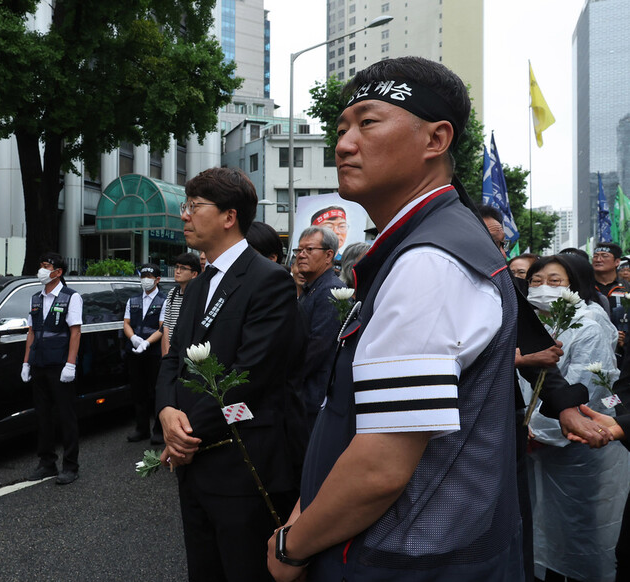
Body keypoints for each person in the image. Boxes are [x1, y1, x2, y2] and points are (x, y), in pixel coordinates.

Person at [268, 57, 523, 581]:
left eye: (367, 122)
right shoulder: (426, 244)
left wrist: (290, 547)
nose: (342, 143)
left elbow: (381, 469)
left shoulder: (429, 261)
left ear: (436, 140)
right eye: (340, 129)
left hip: (403, 561)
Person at [156, 167, 299, 582]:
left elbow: (250, 380)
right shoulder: (198, 285)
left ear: (228, 216)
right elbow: (172, 359)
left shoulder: (269, 281)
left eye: (194, 206)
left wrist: (184, 433)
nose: (184, 215)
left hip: (242, 464)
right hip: (194, 464)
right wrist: (166, 412)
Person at [521, 255, 629, 582]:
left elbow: (587, 392)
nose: (543, 289)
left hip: (576, 446)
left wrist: (536, 430)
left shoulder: (587, 326)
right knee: (541, 526)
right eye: (536, 281)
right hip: (533, 446)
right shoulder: (530, 324)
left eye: (555, 281)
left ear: (574, 285)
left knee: (578, 526)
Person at [20, 252, 83, 485]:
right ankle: (47, 462)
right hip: (39, 363)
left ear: (58, 272)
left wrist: (70, 364)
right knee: (43, 415)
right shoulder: (36, 298)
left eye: (47, 266)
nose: (42, 270)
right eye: (41, 265)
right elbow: (32, 332)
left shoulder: (71, 297)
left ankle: (70, 466)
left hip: (59, 365)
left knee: (66, 416)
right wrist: (26, 362)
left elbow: (75, 332)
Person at [289, 226, 343, 440]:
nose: (301, 255)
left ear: (329, 255)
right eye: (298, 250)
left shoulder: (330, 291)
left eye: (309, 249)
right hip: (305, 395)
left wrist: (286, 378)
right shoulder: (312, 288)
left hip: (314, 397)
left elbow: (316, 347)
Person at [123, 263, 166, 445]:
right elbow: (126, 323)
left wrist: (147, 342)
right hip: (135, 351)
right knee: (138, 391)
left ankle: (159, 430)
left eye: (149, 277)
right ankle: (141, 429)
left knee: (156, 391)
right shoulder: (132, 300)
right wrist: (133, 339)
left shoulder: (164, 300)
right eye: (143, 276)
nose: (145, 280)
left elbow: (163, 327)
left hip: (154, 352)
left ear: (157, 280)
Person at [161, 253, 200, 357]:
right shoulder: (172, 293)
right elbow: (166, 325)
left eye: (183, 268)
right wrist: (166, 352)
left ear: (194, 274)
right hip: (171, 351)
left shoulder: (199, 295)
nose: (178, 271)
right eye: (177, 267)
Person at [592, 242, 628, 320]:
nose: (598, 260)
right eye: (595, 256)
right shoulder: (586, 286)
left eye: (604, 256)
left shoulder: (626, 287)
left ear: (617, 262)